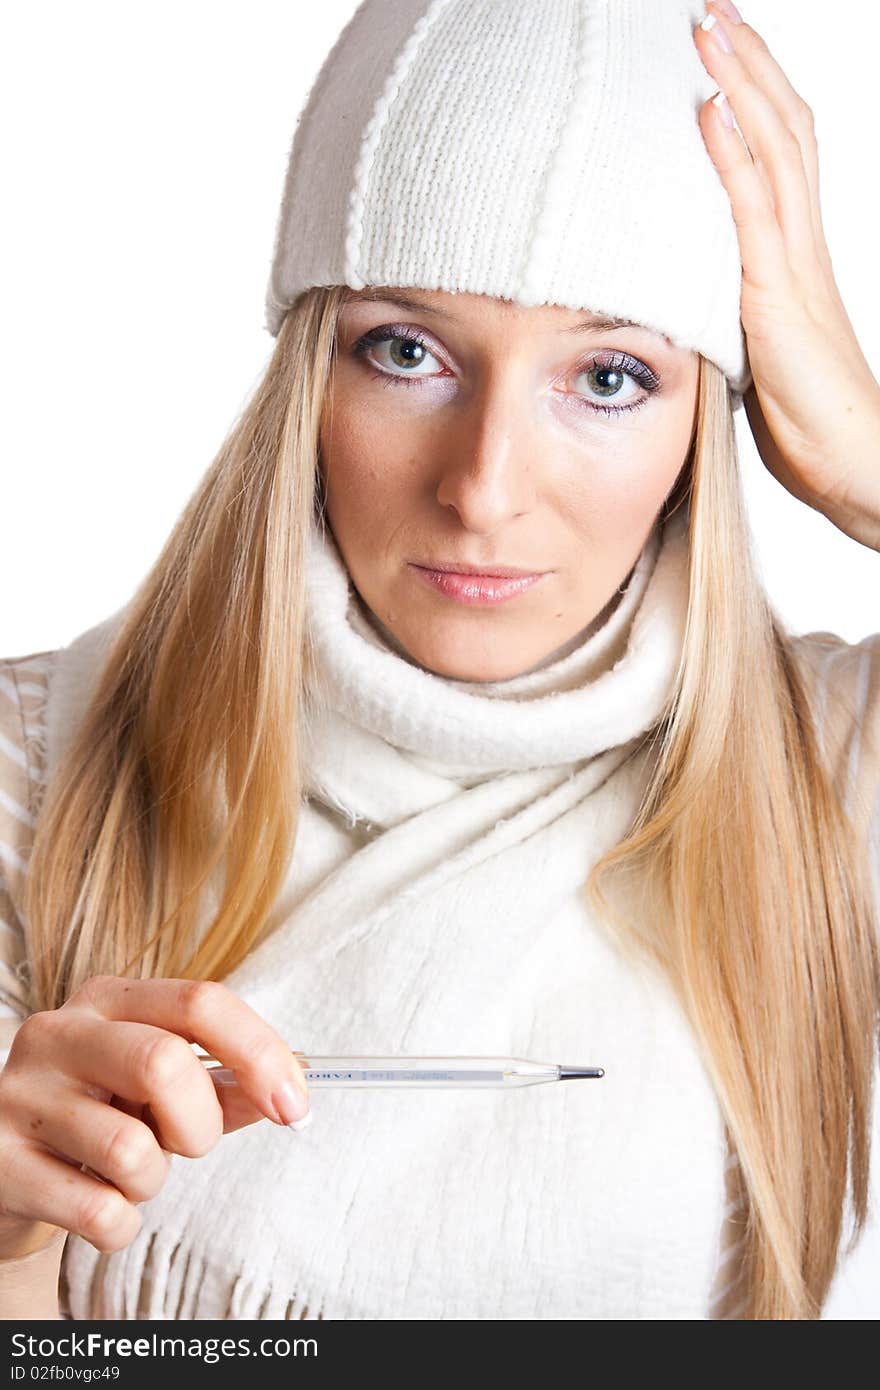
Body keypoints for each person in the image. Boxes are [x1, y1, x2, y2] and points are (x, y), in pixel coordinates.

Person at [1, 0, 879, 1321]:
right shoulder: (37, 768)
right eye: (406, 351)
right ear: (310, 371)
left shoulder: (833, 777)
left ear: (722, 404)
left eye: (613, 376)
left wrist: (869, 455)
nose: (483, 485)